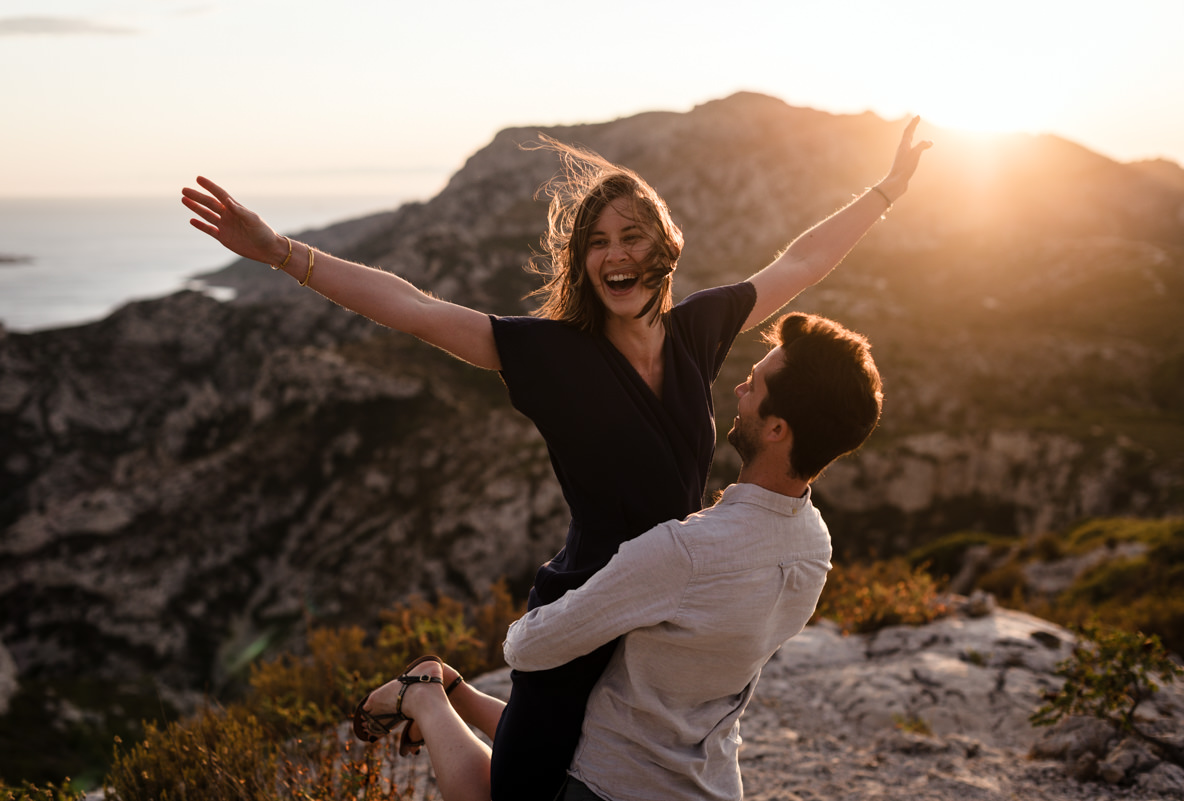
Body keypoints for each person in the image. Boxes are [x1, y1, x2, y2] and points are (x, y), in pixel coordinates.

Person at [182, 119, 930, 799]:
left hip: (664, 601)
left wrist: (888, 191)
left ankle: (447, 690)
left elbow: (802, 261)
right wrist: (280, 252)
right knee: (516, 793)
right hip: (588, 602)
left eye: (631, 235)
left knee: (591, 757)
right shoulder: (551, 356)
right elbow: (413, 308)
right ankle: (428, 697)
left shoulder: (699, 330)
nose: (614, 255)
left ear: (664, 244)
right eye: (596, 242)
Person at [354, 311, 884, 801]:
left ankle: (426, 696)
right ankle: (453, 690)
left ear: (776, 429)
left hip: (612, 781)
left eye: (755, 384)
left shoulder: (685, 551)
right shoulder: (816, 546)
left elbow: (528, 649)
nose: (740, 387)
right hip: (711, 780)